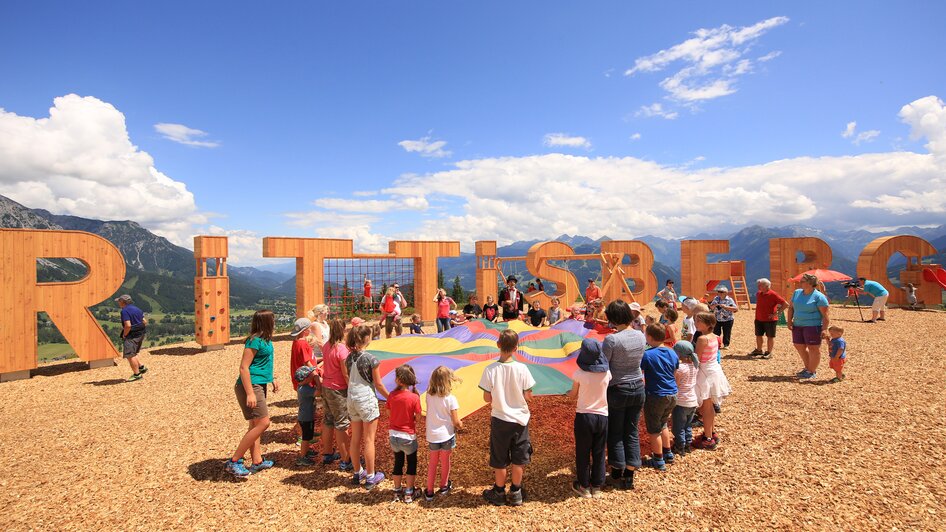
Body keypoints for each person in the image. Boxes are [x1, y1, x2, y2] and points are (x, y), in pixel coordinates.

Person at [480, 329, 536, 507]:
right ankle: (516, 491)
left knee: (500, 456)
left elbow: (487, 398)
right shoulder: (522, 369)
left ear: (498, 345)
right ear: (516, 348)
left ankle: (498, 491)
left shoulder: (490, 370)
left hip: (500, 419)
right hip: (520, 420)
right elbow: (528, 395)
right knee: (519, 456)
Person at [226, 310, 278, 477]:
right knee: (264, 423)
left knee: (255, 424)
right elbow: (244, 367)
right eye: (273, 319)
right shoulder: (253, 341)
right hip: (251, 385)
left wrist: (272, 377)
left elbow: (263, 364)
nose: (275, 321)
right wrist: (250, 393)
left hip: (259, 384)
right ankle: (234, 461)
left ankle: (257, 461)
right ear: (267, 322)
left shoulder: (266, 340)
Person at [602, 300, 646, 490]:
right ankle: (630, 473)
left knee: (616, 432)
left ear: (612, 318)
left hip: (618, 387)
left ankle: (617, 471)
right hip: (638, 385)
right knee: (632, 430)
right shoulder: (640, 335)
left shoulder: (612, 340)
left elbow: (604, 364)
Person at [341, 324, 391, 489]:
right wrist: (391, 398)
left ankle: (357, 472)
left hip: (352, 397)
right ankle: (370, 476)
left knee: (355, 438)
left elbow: (348, 377)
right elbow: (378, 384)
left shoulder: (348, 358)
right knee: (369, 439)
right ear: (365, 339)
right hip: (365, 398)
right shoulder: (371, 359)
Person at [566, 338, 610, 499]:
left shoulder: (579, 374)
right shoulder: (607, 373)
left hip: (584, 416)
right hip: (602, 416)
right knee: (599, 451)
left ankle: (584, 485)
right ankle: (597, 486)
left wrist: (566, 393)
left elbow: (573, 395)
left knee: (583, 451)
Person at [640, 324, 679, 470]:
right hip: (672, 393)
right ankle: (668, 453)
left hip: (656, 395)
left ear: (649, 337)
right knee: (663, 423)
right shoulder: (672, 352)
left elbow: (640, 372)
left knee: (654, 428)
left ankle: (658, 459)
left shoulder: (648, 355)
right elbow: (675, 371)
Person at [692, 312, 731, 450]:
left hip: (705, 373)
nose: (695, 323)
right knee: (709, 406)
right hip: (713, 370)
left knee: (706, 407)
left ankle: (708, 439)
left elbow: (696, 359)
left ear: (707, 324)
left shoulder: (702, 339)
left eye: (698, 321)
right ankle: (711, 432)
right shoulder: (715, 337)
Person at [424, 366, 463, 501]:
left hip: (433, 436)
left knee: (433, 462)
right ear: (448, 381)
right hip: (446, 435)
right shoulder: (451, 399)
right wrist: (460, 425)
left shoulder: (429, 396)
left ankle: (429, 491)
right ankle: (444, 486)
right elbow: (455, 420)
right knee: (445, 461)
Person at [320, 319, 353, 471]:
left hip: (326, 386)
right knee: (342, 423)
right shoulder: (342, 349)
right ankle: (346, 459)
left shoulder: (327, 346)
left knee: (328, 420)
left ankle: (327, 453)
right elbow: (345, 374)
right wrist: (352, 389)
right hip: (338, 389)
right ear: (343, 330)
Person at [387, 365, 422, 503]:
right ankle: (409, 492)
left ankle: (396, 491)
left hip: (394, 436)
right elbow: (418, 417)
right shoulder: (414, 397)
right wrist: (411, 418)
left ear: (398, 380)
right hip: (407, 436)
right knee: (411, 462)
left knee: (398, 461)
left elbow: (389, 413)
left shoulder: (391, 395)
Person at [786, 273, 830, 380]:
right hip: (798, 324)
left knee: (813, 348)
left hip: (813, 325)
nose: (800, 283)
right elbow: (791, 307)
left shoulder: (819, 297)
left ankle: (811, 371)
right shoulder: (797, 293)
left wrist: (824, 329)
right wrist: (789, 321)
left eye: (802, 281)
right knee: (798, 345)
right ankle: (808, 367)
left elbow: (825, 315)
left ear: (810, 283)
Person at [288, 317, 319, 462]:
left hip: (301, 381)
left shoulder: (296, 343)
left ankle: (306, 450)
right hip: (307, 382)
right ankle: (303, 454)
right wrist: (318, 379)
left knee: (307, 418)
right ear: (306, 330)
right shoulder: (303, 344)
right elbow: (309, 364)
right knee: (308, 423)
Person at [670, 341, 699, 456]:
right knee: (687, 424)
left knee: (678, 426)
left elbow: (675, 383)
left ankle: (679, 446)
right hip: (692, 401)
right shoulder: (695, 366)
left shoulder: (680, 368)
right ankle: (688, 443)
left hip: (681, 401)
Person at [114, 294, 148, 381]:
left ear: (123, 302)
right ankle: (141, 367)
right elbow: (144, 321)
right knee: (133, 353)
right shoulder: (137, 309)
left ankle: (137, 374)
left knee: (129, 355)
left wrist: (125, 334)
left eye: (119, 301)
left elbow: (128, 325)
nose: (118, 303)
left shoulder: (124, 311)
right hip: (141, 333)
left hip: (131, 335)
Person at [751, 279, 787, 359]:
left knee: (770, 336)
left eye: (760, 285)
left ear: (766, 286)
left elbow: (785, 304)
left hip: (770, 320)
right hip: (758, 318)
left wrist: (776, 313)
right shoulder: (758, 294)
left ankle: (769, 352)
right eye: (758, 285)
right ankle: (759, 350)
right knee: (758, 335)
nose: (758, 286)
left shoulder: (773, 294)